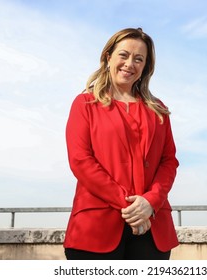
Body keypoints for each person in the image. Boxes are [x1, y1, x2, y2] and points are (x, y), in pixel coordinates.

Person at [64, 27, 179, 260]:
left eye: (139, 59)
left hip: (152, 227)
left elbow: (169, 161)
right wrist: (130, 206)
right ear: (108, 57)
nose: (130, 64)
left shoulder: (158, 110)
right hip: (95, 228)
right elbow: (80, 160)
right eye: (124, 55)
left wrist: (150, 202)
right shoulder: (85, 104)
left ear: (145, 67)